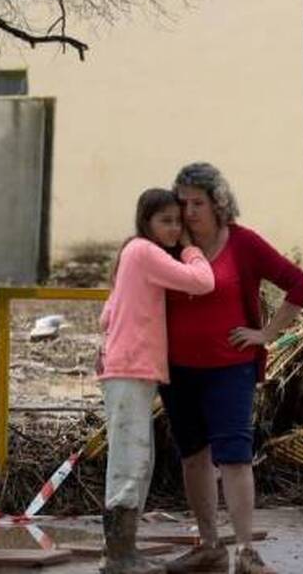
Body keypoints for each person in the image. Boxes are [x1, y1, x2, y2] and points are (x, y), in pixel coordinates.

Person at [160, 163, 303, 574]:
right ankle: (209, 545)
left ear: (218, 203)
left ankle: (246, 551)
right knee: (193, 457)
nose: (190, 212)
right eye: (183, 203)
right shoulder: (169, 245)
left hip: (230, 369)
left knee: (235, 457)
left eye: (198, 203)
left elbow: (299, 284)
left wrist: (266, 334)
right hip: (177, 370)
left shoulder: (243, 244)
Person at [99, 189, 215, 574]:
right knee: (130, 461)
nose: (173, 228)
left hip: (128, 368)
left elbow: (106, 315)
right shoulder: (144, 252)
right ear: (146, 222)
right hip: (131, 369)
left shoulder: (130, 255)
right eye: (165, 221)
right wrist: (189, 248)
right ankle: (118, 556)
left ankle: (123, 550)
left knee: (137, 460)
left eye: (178, 222)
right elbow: (202, 281)